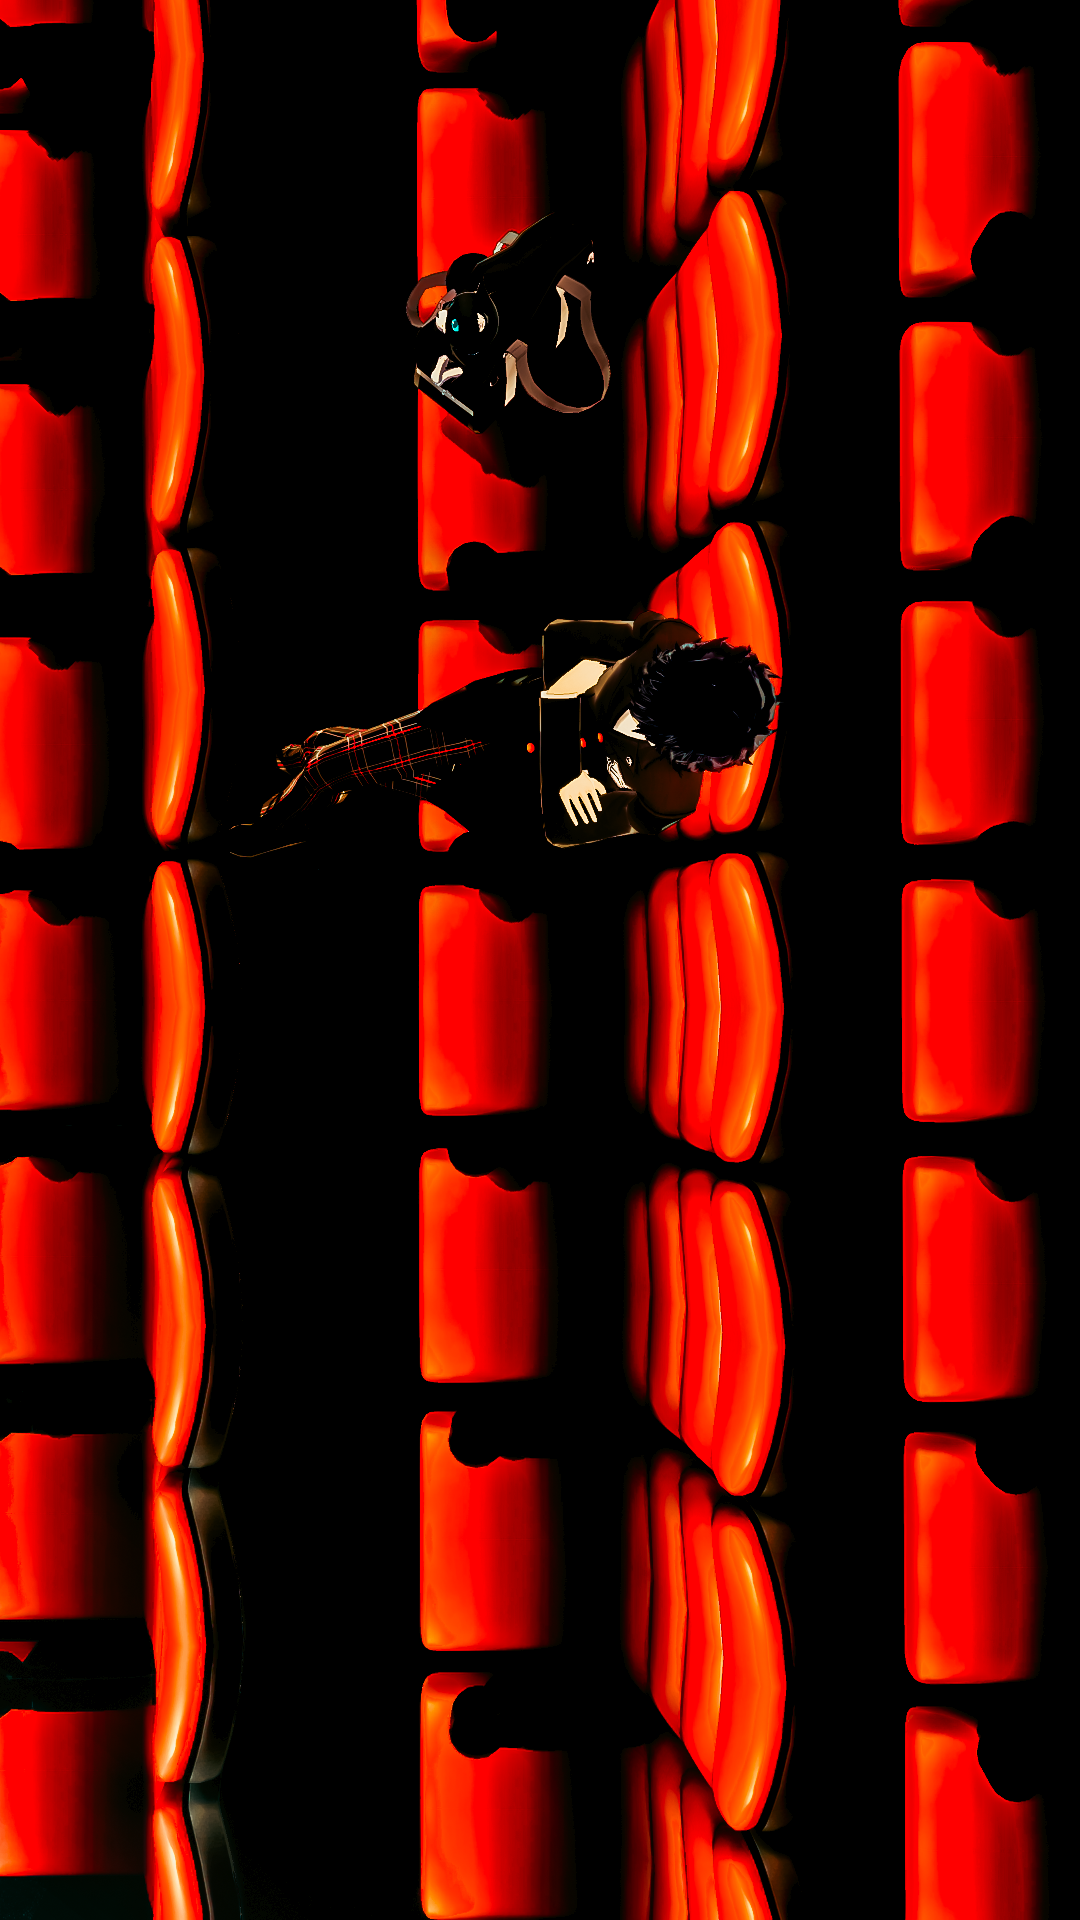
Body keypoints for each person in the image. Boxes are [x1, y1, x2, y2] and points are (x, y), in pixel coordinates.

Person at [228, 613, 780, 856]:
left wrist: (576, 693)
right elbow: (561, 637)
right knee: (340, 765)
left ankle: (320, 762)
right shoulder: (668, 639)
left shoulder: (672, 794)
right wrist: (570, 759)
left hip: (498, 792)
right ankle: (280, 822)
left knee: (375, 766)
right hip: (491, 712)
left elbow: (564, 831)